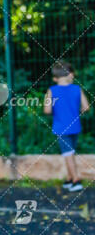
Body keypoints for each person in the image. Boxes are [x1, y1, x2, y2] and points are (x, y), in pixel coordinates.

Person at [44, 60, 90, 192]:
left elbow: (47, 110)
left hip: (61, 128)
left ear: (55, 78)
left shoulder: (52, 90)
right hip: (75, 127)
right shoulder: (77, 89)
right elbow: (86, 108)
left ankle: (76, 180)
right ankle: (70, 179)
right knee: (70, 153)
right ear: (71, 74)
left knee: (68, 154)